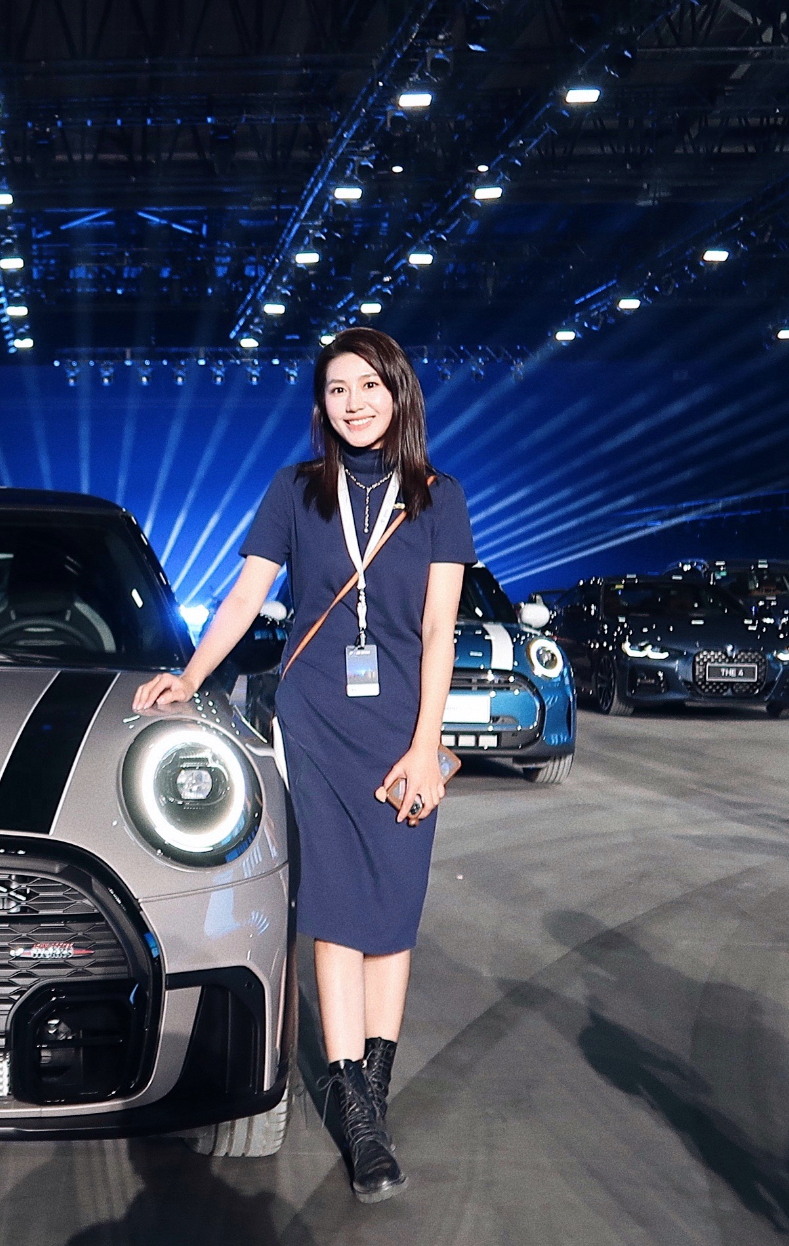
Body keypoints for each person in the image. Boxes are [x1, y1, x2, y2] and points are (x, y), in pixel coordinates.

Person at [134, 327, 472, 1204]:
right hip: (315, 720)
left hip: (403, 725)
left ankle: (370, 1097)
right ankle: (358, 1117)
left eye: (369, 386)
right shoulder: (295, 490)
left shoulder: (438, 498)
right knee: (336, 908)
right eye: (336, 389)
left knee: (393, 907)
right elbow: (247, 595)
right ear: (321, 405)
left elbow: (439, 631)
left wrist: (426, 745)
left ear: (399, 393)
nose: (354, 403)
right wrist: (190, 677)